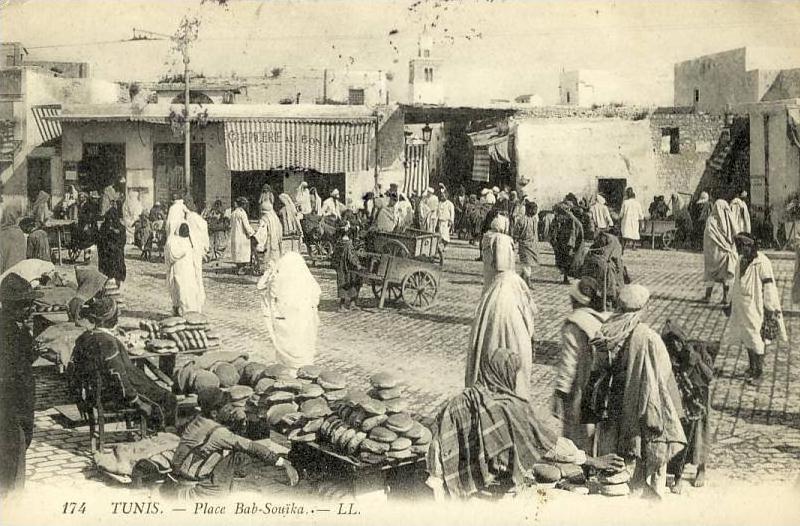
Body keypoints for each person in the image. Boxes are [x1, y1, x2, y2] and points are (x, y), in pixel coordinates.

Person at [428, 347, 624, 499]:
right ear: (507, 375)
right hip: (491, 489)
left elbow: (437, 444)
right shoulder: (510, 407)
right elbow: (547, 444)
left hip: (455, 483)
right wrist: (592, 460)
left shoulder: (458, 402)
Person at [583, 284, 686, 499]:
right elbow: (663, 375)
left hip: (610, 406)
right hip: (638, 406)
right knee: (641, 462)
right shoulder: (648, 337)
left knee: (613, 460)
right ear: (642, 307)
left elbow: (596, 370)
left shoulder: (605, 332)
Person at [168, 386, 297, 499]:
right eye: (227, 408)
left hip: (180, 474)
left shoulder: (198, 419)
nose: (231, 410)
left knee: (238, 457)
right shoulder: (218, 433)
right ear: (214, 413)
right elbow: (251, 446)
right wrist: (284, 463)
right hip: (193, 485)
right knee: (245, 465)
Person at [71, 297, 177, 429]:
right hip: (114, 397)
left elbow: (73, 369)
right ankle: (163, 434)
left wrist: (80, 400)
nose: (118, 317)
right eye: (117, 314)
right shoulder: (108, 344)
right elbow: (119, 377)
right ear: (110, 319)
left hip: (94, 395)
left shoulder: (84, 338)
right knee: (169, 399)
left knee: (153, 387)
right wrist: (137, 402)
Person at [468, 215, 537, 398]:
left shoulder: (486, 238)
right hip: (504, 283)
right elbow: (502, 266)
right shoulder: (501, 240)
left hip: (491, 285)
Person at [552, 277, 609, 452]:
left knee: (575, 435)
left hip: (581, 388)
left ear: (576, 301)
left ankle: (579, 467)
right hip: (602, 385)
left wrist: (559, 393)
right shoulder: (605, 320)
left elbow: (568, 364)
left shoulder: (574, 325)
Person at [661, 319, 716, 493]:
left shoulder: (697, 350)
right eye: (671, 342)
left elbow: (709, 376)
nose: (676, 345)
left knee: (700, 434)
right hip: (682, 400)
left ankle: (701, 469)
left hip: (699, 398)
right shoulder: (668, 356)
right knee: (681, 435)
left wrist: (696, 360)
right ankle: (677, 473)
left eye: (678, 340)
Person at [0, 273, 41, 495]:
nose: (32, 309)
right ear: (18, 307)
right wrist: (27, 422)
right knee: (13, 469)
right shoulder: (18, 334)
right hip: (13, 411)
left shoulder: (7, 326)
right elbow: (22, 379)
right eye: (29, 305)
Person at [727, 232, 786, 382]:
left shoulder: (762, 262)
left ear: (750, 246)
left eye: (743, 247)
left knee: (757, 338)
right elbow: (736, 284)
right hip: (743, 306)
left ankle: (759, 372)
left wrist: (770, 308)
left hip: (757, 306)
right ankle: (752, 367)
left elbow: (769, 287)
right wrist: (731, 302)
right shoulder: (740, 260)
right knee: (746, 337)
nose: (740, 250)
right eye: (738, 247)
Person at [256, 251, 321, 369]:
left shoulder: (278, 281)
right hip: (303, 321)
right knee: (303, 350)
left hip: (285, 323)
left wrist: (270, 273)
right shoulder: (305, 281)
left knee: (287, 355)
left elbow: (263, 288)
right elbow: (316, 294)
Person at [580, 231, 626, 311]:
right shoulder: (616, 242)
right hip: (604, 267)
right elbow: (617, 260)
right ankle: (608, 305)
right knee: (611, 286)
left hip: (591, 263)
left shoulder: (602, 237)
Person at [703, 199, 737, 304]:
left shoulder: (711, 221)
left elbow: (707, 236)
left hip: (713, 254)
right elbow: (735, 234)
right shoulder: (729, 219)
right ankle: (725, 297)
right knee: (726, 275)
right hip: (725, 253)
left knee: (710, 275)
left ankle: (708, 296)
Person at [165, 224, 204, 315]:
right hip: (183, 270)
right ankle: (182, 309)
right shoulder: (181, 242)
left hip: (184, 270)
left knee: (183, 290)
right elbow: (173, 255)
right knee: (183, 290)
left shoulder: (180, 241)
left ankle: (183, 310)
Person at [549, 203, 584, 284]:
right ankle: (566, 277)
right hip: (565, 242)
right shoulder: (565, 218)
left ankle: (569, 278)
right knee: (566, 260)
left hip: (570, 244)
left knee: (571, 261)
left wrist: (570, 247)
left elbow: (572, 234)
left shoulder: (571, 219)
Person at [332, 221, 362, 311]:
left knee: (342, 284)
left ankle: (347, 304)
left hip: (340, 267)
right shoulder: (348, 244)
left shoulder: (339, 242)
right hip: (348, 268)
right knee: (353, 282)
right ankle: (344, 305)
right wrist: (358, 265)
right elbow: (351, 257)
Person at [97, 204, 127, 290]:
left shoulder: (121, 228)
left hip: (116, 254)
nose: (110, 221)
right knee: (107, 272)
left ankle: (117, 284)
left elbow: (122, 241)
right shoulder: (104, 227)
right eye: (109, 219)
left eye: (111, 219)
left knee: (117, 270)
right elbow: (100, 240)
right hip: (106, 255)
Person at [512, 200, 539, 287]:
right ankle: (528, 281)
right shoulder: (522, 220)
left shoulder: (534, 220)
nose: (535, 211)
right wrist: (515, 240)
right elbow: (516, 232)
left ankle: (521, 279)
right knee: (526, 264)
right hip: (524, 244)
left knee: (529, 263)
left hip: (532, 245)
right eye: (534, 209)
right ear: (528, 209)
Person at [254, 200, 283, 271]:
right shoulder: (276, 218)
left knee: (268, 260)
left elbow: (262, 233)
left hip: (268, 242)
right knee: (275, 260)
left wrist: (256, 239)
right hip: (276, 242)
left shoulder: (264, 219)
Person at [229, 197, 255, 275]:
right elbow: (246, 225)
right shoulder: (242, 213)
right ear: (243, 205)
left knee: (237, 252)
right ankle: (241, 268)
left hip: (235, 235)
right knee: (243, 252)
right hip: (242, 236)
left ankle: (238, 267)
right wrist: (252, 233)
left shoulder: (233, 213)